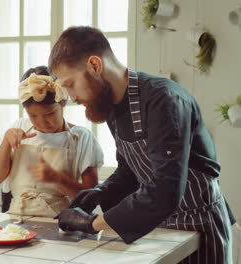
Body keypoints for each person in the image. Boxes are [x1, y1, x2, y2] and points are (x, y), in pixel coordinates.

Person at [50, 26, 235, 264]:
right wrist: (100, 192)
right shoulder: (111, 107)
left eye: (70, 84)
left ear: (95, 66)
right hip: (159, 229)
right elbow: (130, 172)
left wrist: (92, 224)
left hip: (199, 229)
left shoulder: (164, 100)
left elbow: (165, 189)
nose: (71, 97)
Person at [0, 66, 103, 217]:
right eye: (33, 116)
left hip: (60, 221)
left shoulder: (81, 137)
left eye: (50, 114)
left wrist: (57, 178)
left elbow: (90, 198)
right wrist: (6, 141)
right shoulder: (18, 128)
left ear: (62, 104)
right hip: (15, 218)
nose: (42, 123)